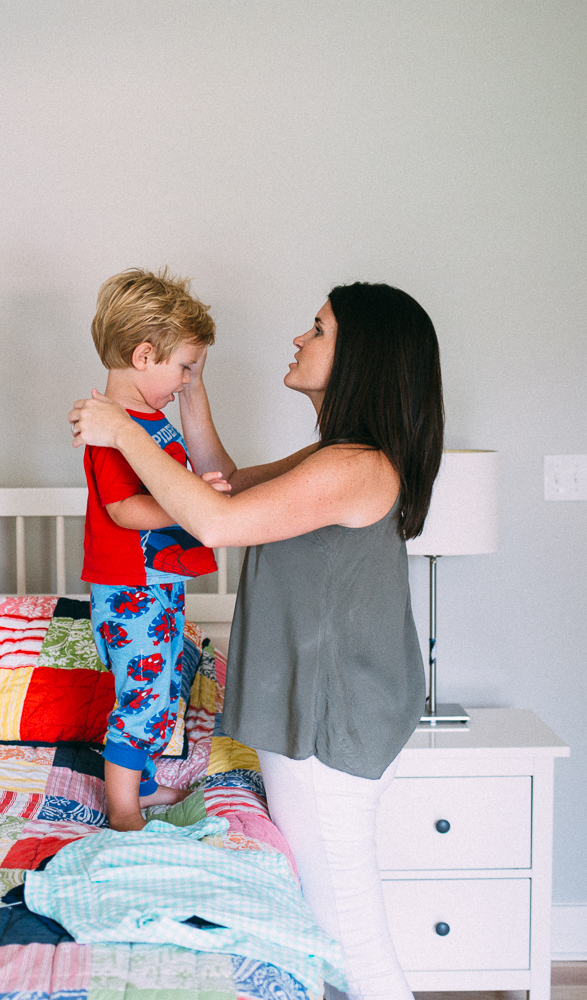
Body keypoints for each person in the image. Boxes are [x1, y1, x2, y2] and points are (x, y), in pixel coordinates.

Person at [68, 282, 443, 1000]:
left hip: (331, 725)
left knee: (352, 943)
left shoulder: (352, 467)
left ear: (360, 355)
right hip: (324, 715)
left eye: (319, 330)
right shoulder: (334, 456)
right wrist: (192, 395)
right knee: (338, 929)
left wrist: (125, 433)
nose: (300, 340)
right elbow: (229, 486)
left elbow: (213, 521)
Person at [81, 268, 233, 832]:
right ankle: (122, 806)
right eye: (184, 367)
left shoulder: (149, 421)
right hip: (129, 585)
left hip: (158, 580)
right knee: (142, 691)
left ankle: (141, 785)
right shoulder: (111, 427)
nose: (188, 381)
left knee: (163, 685)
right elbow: (125, 510)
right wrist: (188, 505)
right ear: (144, 356)